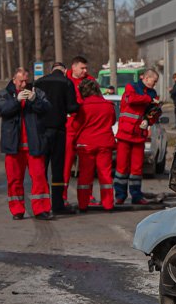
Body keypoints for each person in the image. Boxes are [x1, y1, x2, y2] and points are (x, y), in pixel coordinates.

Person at [0, 68, 53, 219]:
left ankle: (41, 209)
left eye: (25, 81)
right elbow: (1, 109)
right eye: (20, 81)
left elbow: (48, 109)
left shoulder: (37, 92)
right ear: (14, 80)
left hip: (34, 143)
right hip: (13, 145)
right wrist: (16, 101)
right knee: (14, 180)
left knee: (39, 177)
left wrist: (35, 100)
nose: (23, 84)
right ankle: (17, 210)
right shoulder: (5, 93)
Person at [34, 61, 80, 213]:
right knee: (57, 169)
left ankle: (42, 205)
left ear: (51, 70)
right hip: (59, 130)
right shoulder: (67, 83)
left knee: (42, 168)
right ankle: (58, 205)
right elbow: (72, 107)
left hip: (41, 130)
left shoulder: (39, 82)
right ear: (65, 70)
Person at [114, 69, 160, 205]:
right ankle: (120, 195)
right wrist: (148, 99)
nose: (155, 84)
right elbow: (131, 100)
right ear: (146, 78)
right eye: (154, 81)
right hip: (125, 133)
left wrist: (150, 120)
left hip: (139, 135)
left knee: (137, 169)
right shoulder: (132, 87)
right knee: (122, 168)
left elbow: (154, 112)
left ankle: (136, 195)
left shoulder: (152, 93)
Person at [72, 77, 116, 211]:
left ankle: (83, 204)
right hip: (104, 143)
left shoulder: (83, 107)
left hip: (86, 144)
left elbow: (76, 125)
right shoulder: (108, 105)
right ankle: (108, 204)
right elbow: (113, 121)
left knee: (85, 175)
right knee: (105, 174)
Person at [63, 55, 89, 205]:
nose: (85, 71)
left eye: (86, 68)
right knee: (66, 166)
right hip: (69, 129)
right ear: (73, 67)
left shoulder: (89, 82)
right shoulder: (65, 83)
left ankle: (87, 197)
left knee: (87, 167)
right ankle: (63, 196)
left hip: (84, 129)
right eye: (82, 68)